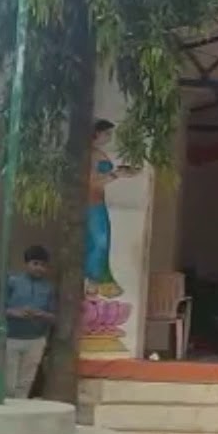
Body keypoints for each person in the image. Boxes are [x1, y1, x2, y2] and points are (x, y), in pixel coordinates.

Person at [85, 119, 138, 299]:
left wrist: (122, 174)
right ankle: (91, 283)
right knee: (98, 243)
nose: (109, 138)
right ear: (96, 133)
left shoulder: (98, 153)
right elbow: (91, 183)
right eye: (107, 133)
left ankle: (93, 287)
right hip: (90, 204)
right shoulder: (89, 155)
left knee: (102, 243)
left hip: (98, 203)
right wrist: (116, 175)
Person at [4, 245, 55, 399]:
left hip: (36, 340)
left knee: (25, 383)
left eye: (43, 265)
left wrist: (41, 314)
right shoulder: (13, 282)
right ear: (26, 264)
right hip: (11, 338)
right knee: (9, 384)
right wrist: (15, 313)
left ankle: (19, 416)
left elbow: (54, 316)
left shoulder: (49, 288)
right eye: (35, 263)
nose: (39, 268)